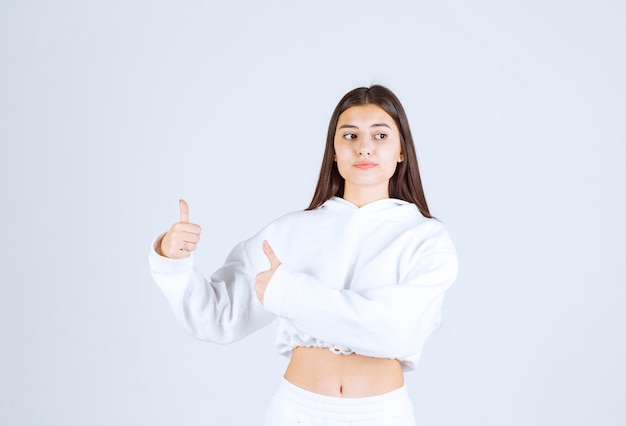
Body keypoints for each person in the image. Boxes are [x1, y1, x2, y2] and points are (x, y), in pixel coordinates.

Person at [149, 85, 458, 425]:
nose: (364, 147)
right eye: (350, 135)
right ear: (334, 152)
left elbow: (397, 331)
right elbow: (218, 318)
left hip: (380, 414)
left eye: (380, 135)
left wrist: (288, 294)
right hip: (298, 411)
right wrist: (173, 262)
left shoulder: (426, 238)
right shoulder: (289, 232)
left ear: (401, 151)